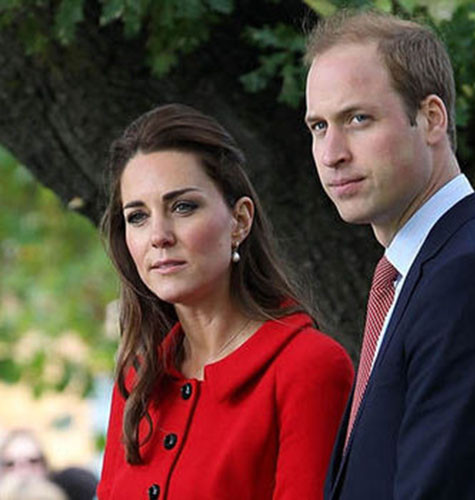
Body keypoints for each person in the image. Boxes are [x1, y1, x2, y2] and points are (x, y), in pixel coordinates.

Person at [304, 9, 475, 499]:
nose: (331, 153)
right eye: (319, 126)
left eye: (358, 119)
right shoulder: (424, 273)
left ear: (431, 119)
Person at [97, 103, 354, 499]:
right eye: (138, 216)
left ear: (240, 220)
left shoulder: (309, 368)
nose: (159, 236)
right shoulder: (138, 378)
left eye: (183, 207)